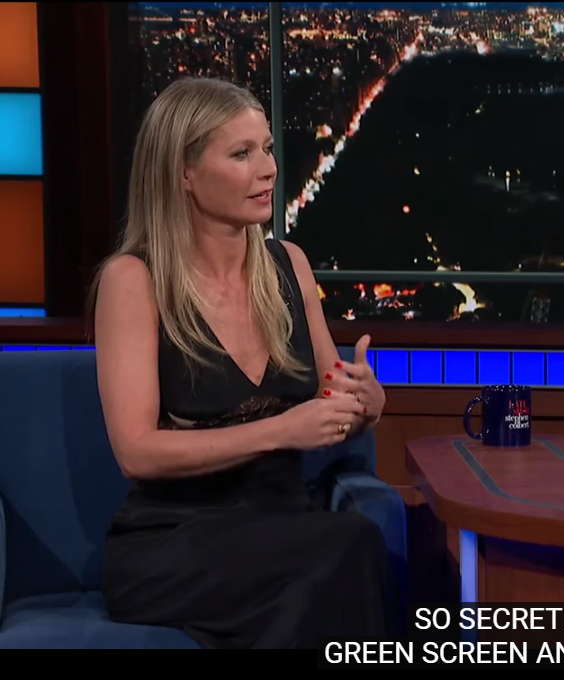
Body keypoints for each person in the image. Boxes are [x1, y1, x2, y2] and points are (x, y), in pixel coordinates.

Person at [91, 77, 393, 648]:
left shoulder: (289, 265)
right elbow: (136, 452)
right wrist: (281, 430)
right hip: (174, 542)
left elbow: (331, 403)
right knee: (343, 551)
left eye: (268, 149)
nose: (269, 169)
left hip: (284, 524)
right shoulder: (134, 281)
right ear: (183, 172)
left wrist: (366, 405)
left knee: (334, 557)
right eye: (241, 154)